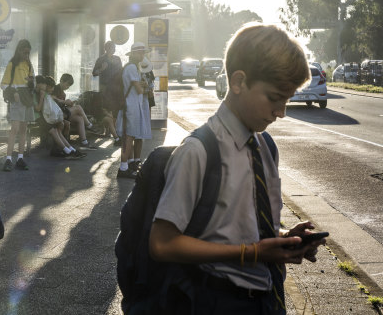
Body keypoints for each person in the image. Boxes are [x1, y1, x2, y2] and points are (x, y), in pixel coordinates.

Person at [149, 23, 326, 314]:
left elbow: (232, 226)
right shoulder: (198, 151)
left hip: (268, 298)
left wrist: (283, 238)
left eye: (287, 99)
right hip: (214, 301)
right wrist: (254, 253)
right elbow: (162, 243)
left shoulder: (266, 146)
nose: (281, 112)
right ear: (239, 81)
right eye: (274, 98)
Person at [115, 42, 152, 179]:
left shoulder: (132, 68)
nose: (142, 55)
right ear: (133, 54)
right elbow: (139, 90)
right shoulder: (131, 68)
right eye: (140, 52)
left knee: (129, 136)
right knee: (128, 137)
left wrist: (141, 85)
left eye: (143, 52)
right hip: (130, 107)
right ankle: (123, 168)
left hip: (131, 106)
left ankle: (128, 165)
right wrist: (144, 87)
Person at [0, 39, 35, 172]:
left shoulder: (29, 64)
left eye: (28, 53)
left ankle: (20, 157)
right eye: (25, 52)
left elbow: (33, 83)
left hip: (27, 98)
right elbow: (3, 84)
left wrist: (31, 82)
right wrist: (14, 91)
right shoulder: (12, 65)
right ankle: (8, 159)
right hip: (17, 98)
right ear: (19, 50)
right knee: (14, 129)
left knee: (23, 129)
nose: (27, 55)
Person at [33, 76, 83, 159]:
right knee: (54, 131)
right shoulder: (35, 94)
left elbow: (51, 100)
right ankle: (66, 150)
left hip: (45, 118)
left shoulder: (44, 93)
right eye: (43, 84)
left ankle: (70, 149)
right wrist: (42, 97)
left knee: (60, 126)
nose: (45, 87)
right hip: (39, 118)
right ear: (38, 85)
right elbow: (38, 109)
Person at [51, 73, 98, 149]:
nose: (68, 87)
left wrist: (69, 104)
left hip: (62, 113)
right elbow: (52, 98)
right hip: (56, 114)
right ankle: (89, 125)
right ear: (61, 81)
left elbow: (61, 105)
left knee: (80, 118)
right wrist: (64, 102)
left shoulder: (63, 93)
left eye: (69, 86)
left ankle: (84, 142)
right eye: (67, 85)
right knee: (78, 107)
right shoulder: (55, 88)